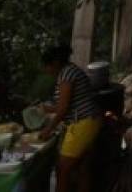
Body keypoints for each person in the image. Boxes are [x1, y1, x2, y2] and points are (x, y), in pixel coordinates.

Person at [40, 45, 101, 192]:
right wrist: (48, 109)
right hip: (90, 121)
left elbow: (63, 109)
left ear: (54, 63)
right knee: (82, 169)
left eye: (46, 66)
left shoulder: (66, 74)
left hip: (83, 123)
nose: (45, 70)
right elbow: (68, 103)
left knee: (62, 170)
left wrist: (48, 130)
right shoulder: (70, 70)